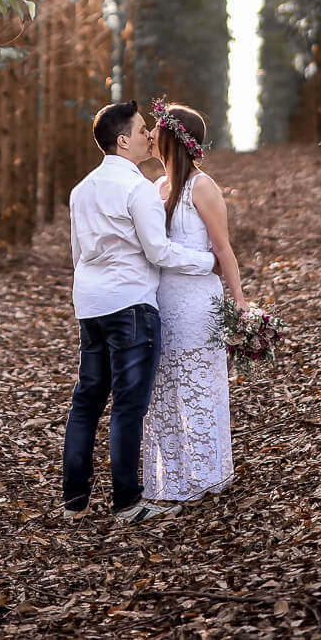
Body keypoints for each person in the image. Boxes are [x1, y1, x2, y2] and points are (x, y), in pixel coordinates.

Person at [62, 99, 217, 525]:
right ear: (124, 139)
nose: (151, 134)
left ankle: (74, 500)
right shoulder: (138, 188)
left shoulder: (81, 190)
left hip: (90, 304)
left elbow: (78, 254)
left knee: (87, 401)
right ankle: (127, 503)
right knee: (129, 406)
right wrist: (206, 262)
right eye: (143, 128)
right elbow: (159, 251)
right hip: (131, 305)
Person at [142, 101, 244, 504]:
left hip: (198, 301)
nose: (149, 134)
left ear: (171, 137)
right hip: (161, 300)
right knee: (163, 387)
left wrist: (240, 308)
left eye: (155, 129)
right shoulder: (156, 187)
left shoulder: (202, 187)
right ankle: (171, 478)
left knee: (198, 385)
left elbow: (224, 251)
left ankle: (205, 474)